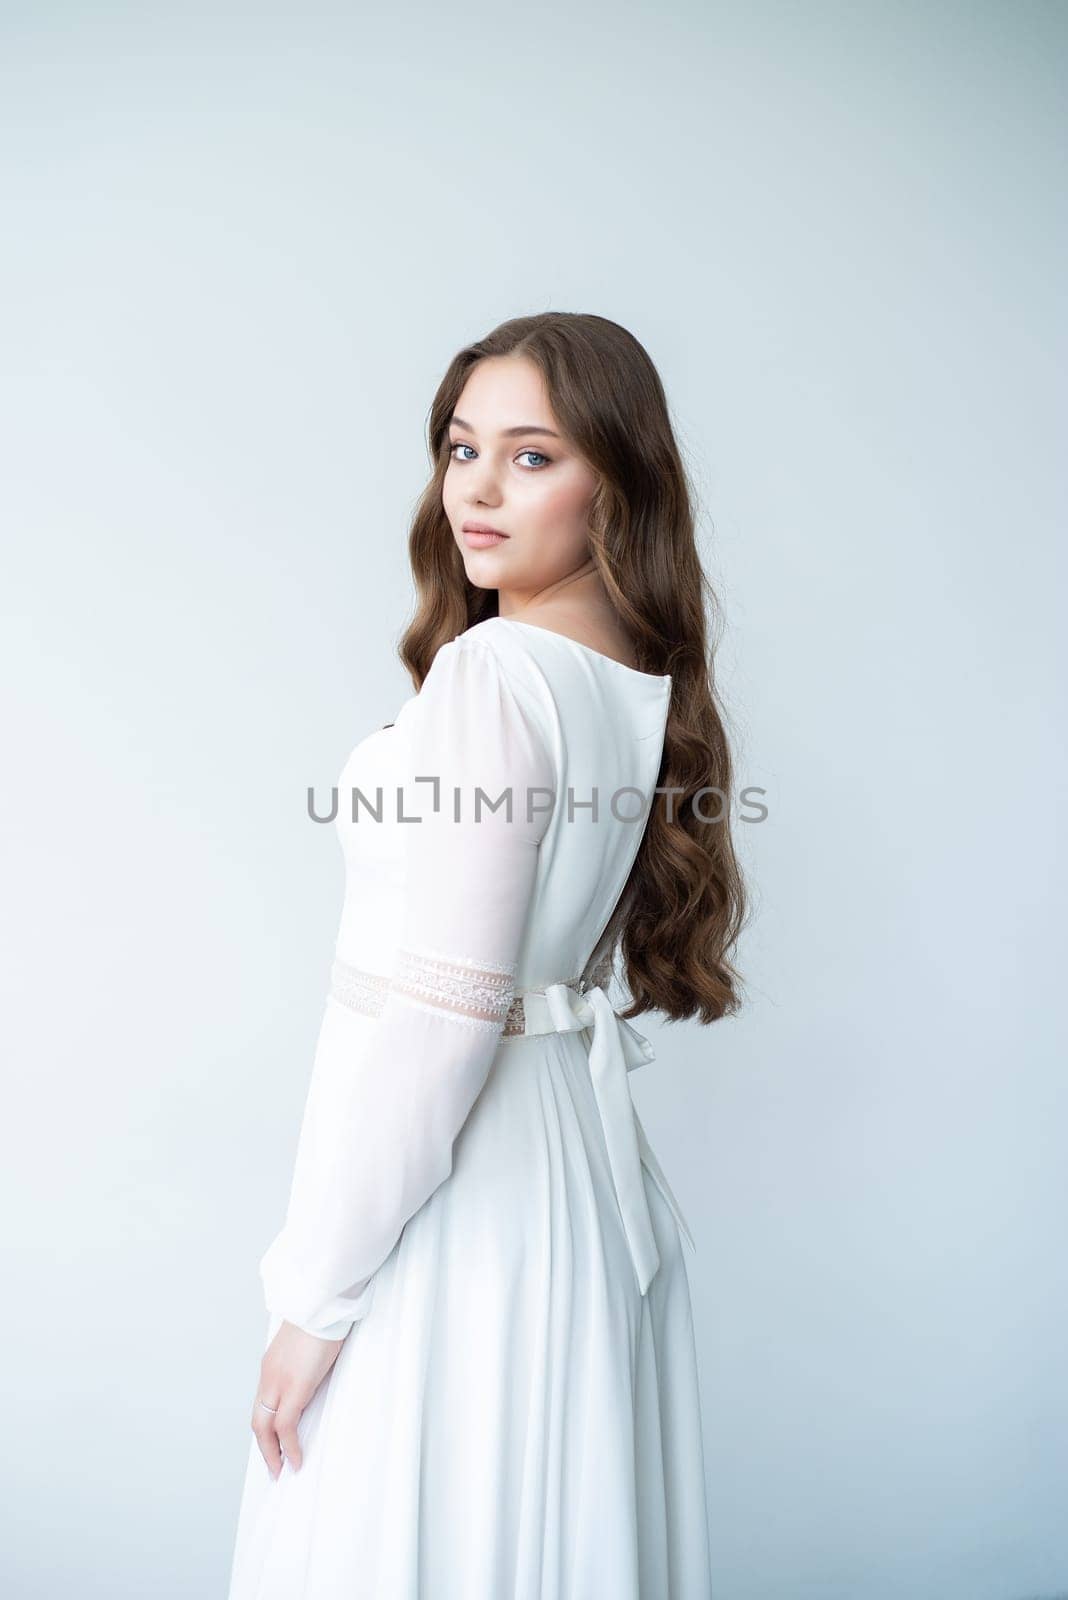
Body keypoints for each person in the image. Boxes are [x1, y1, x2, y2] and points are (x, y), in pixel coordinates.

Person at [227, 311, 747, 1599]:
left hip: (460, 1205)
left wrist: (318, 1301)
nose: (475, 486)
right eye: (463, 448)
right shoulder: (630, 678)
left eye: (532, 455)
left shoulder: (495, 675)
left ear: (617, 484)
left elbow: (443, 1022)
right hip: (570, 1178)